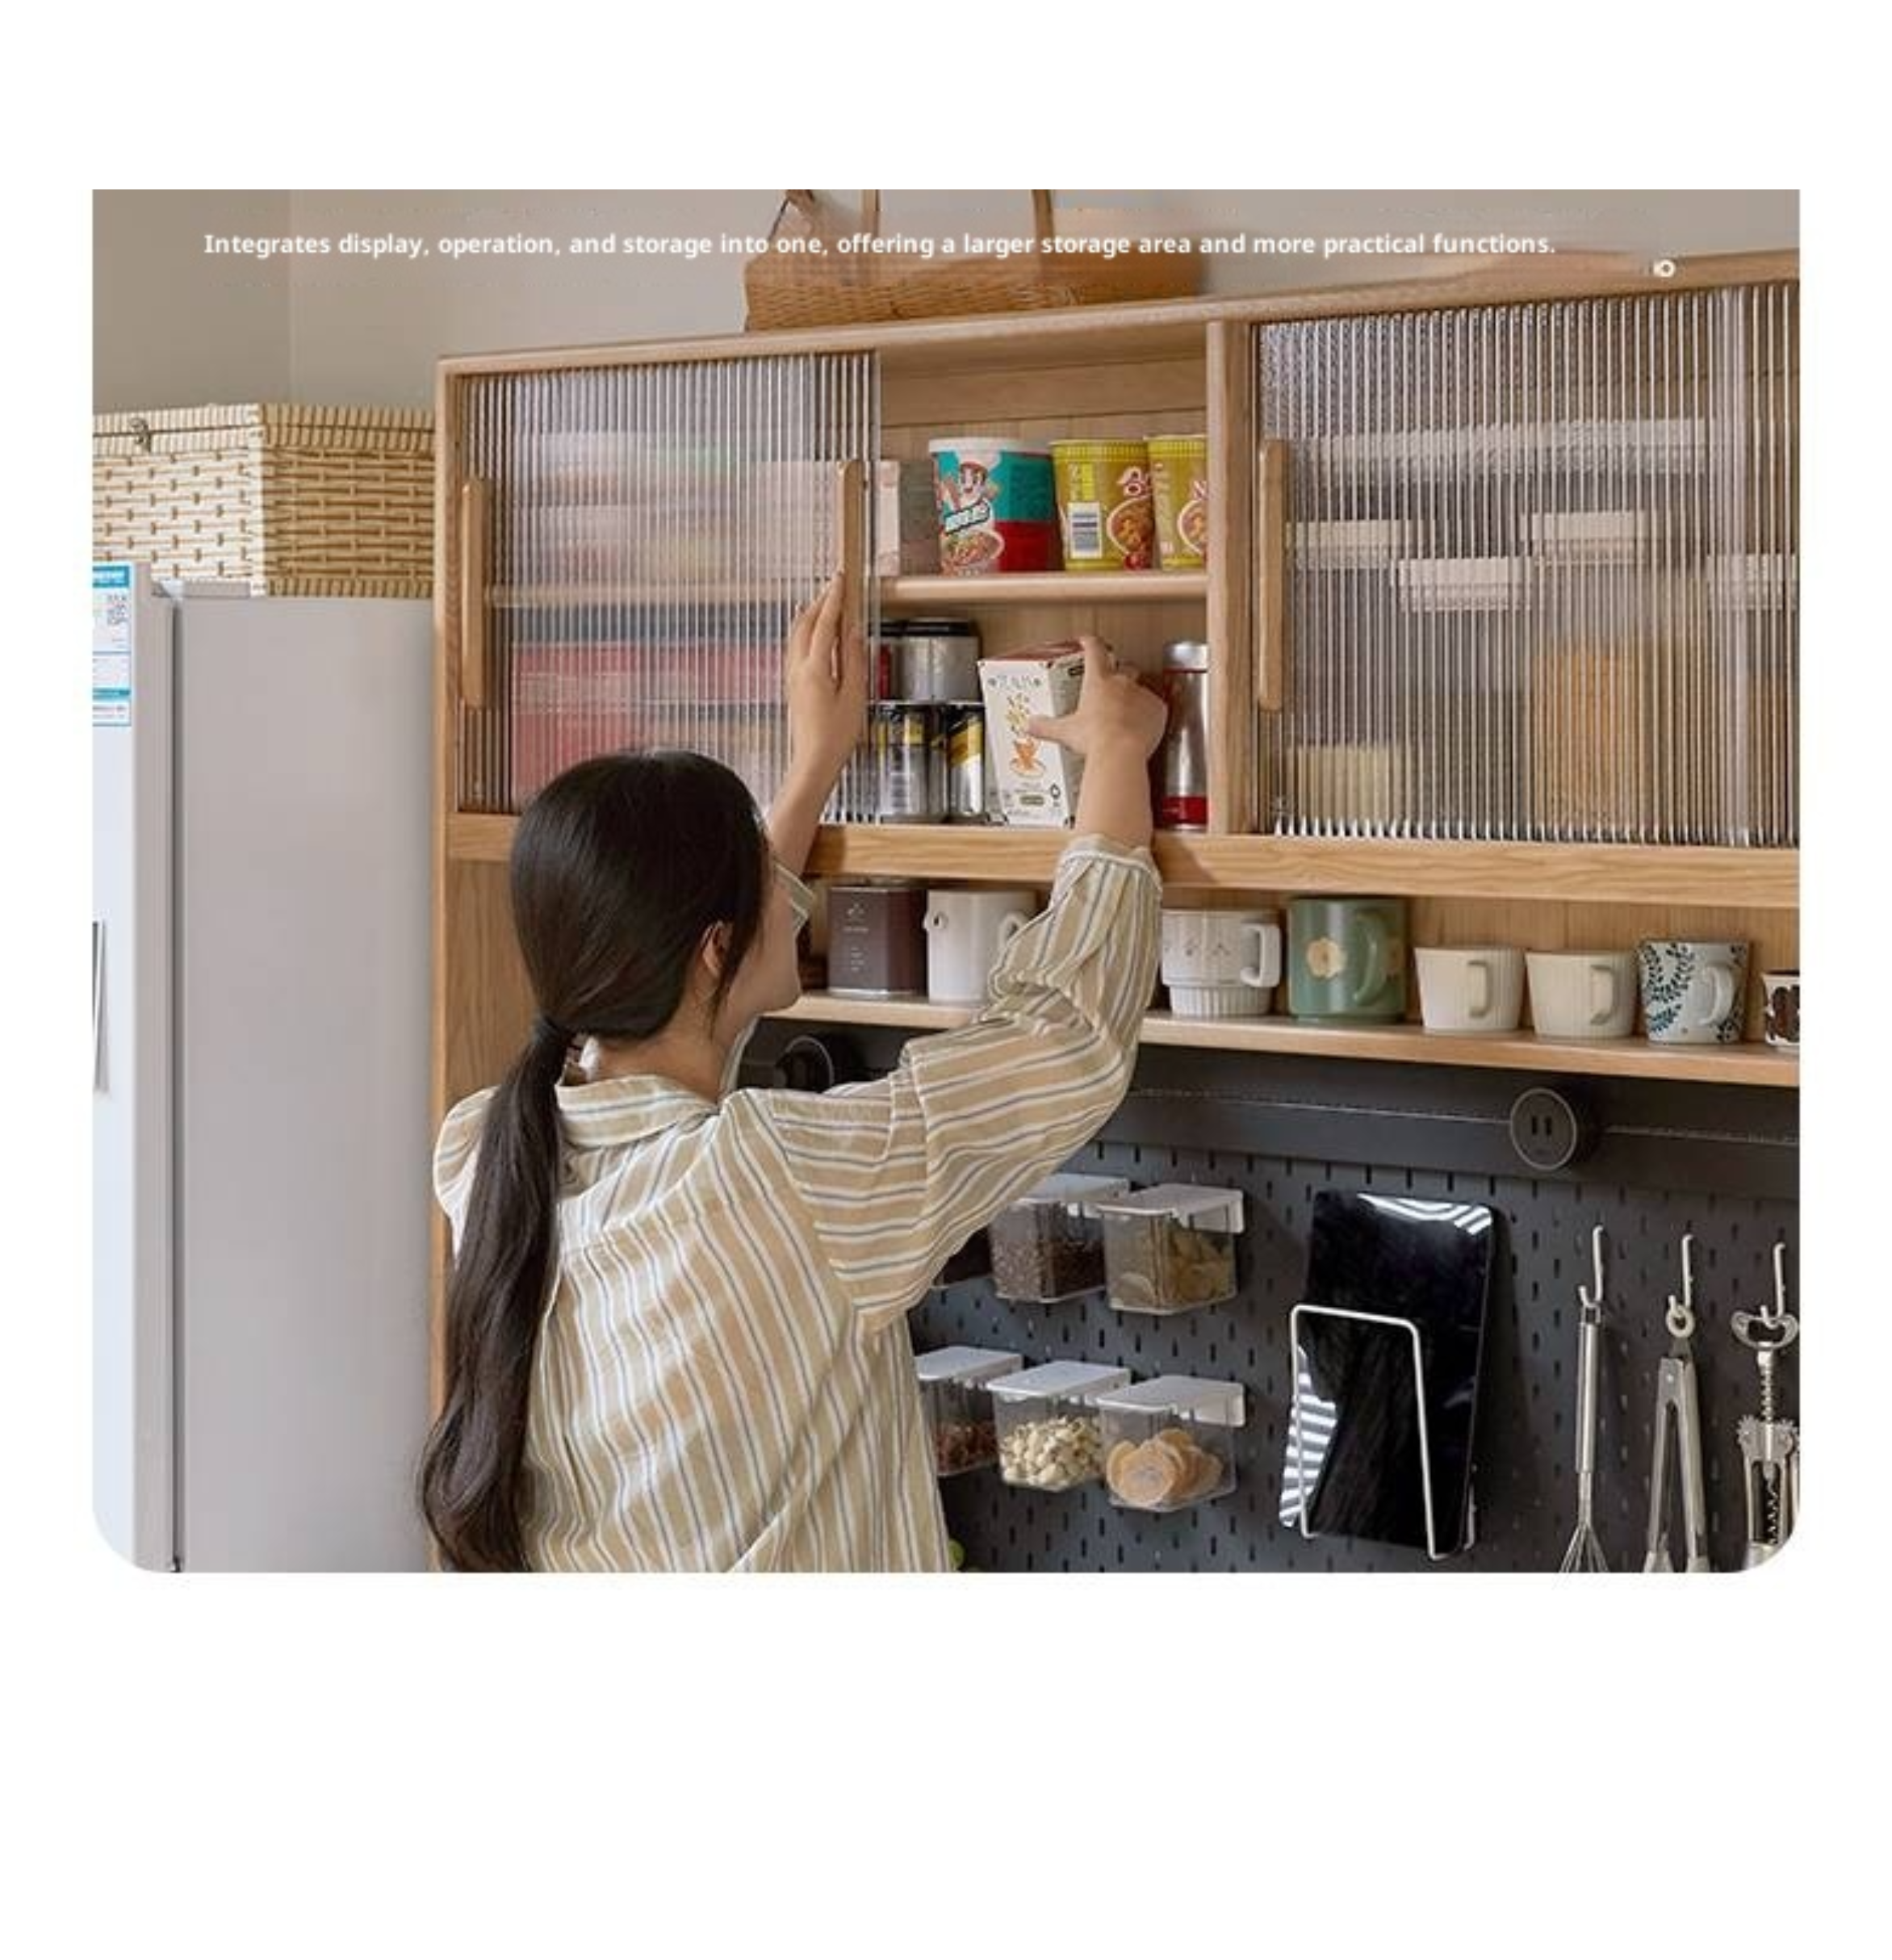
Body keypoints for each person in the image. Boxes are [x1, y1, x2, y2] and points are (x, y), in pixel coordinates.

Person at [419, 574, 1166, 1571]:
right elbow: (1061, 1037)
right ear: (714, 948)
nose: (790, 898)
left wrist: (815, 763)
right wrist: (1116, 757)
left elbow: (688, 1009)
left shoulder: (485, 1150)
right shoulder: (784, 1173)